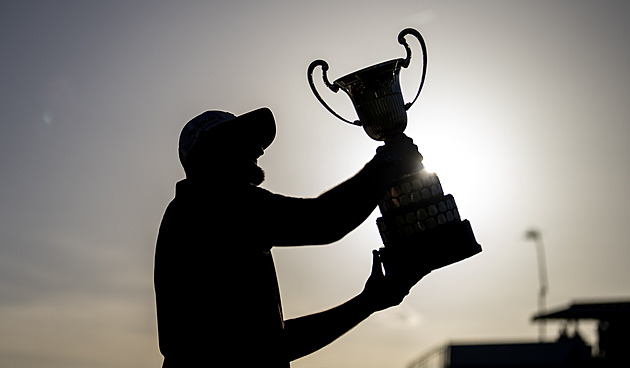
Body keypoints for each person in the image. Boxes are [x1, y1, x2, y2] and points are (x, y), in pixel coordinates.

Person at [154, 107, 428, 367]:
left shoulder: (197, 213)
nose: (258, 149)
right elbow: (324, 220)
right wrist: (388, 160)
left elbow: (272, 344)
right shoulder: (213, 203)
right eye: (242, 139)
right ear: (210, 151)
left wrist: (368, 302)